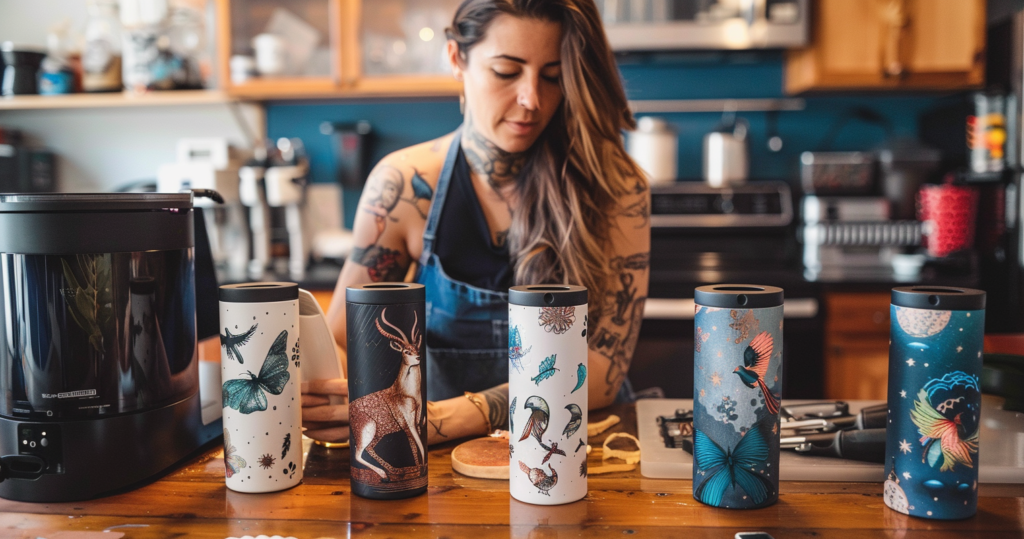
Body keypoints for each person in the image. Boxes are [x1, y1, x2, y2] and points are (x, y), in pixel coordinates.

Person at [301, 0, 650, 445]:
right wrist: (336, 397)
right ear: (456, 58)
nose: (531, 100)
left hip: (569, 448)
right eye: (507, 71)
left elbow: (602, 366)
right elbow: (345, 340)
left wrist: (449, 419)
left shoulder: (615, 187)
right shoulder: (405, 185)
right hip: (439, 460)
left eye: (553, 75)